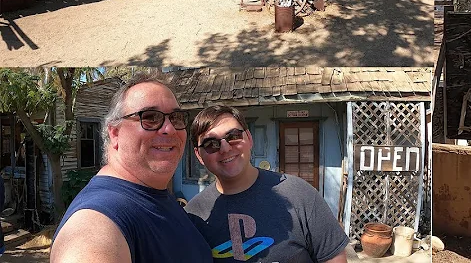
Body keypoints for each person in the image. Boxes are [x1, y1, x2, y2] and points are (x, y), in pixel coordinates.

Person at [51, 74, 213, 263]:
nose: (169, 128)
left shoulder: (154, 194)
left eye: (176, 118)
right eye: (150, 118)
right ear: (115, 133)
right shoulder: (97, 219)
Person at [186, 105, 349, 263]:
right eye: (210, 144)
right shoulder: (193, 217)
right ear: (199, 155)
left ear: (249, 138)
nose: (225, 148)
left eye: (233, 136)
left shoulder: (299, 194)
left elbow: (333, 258)